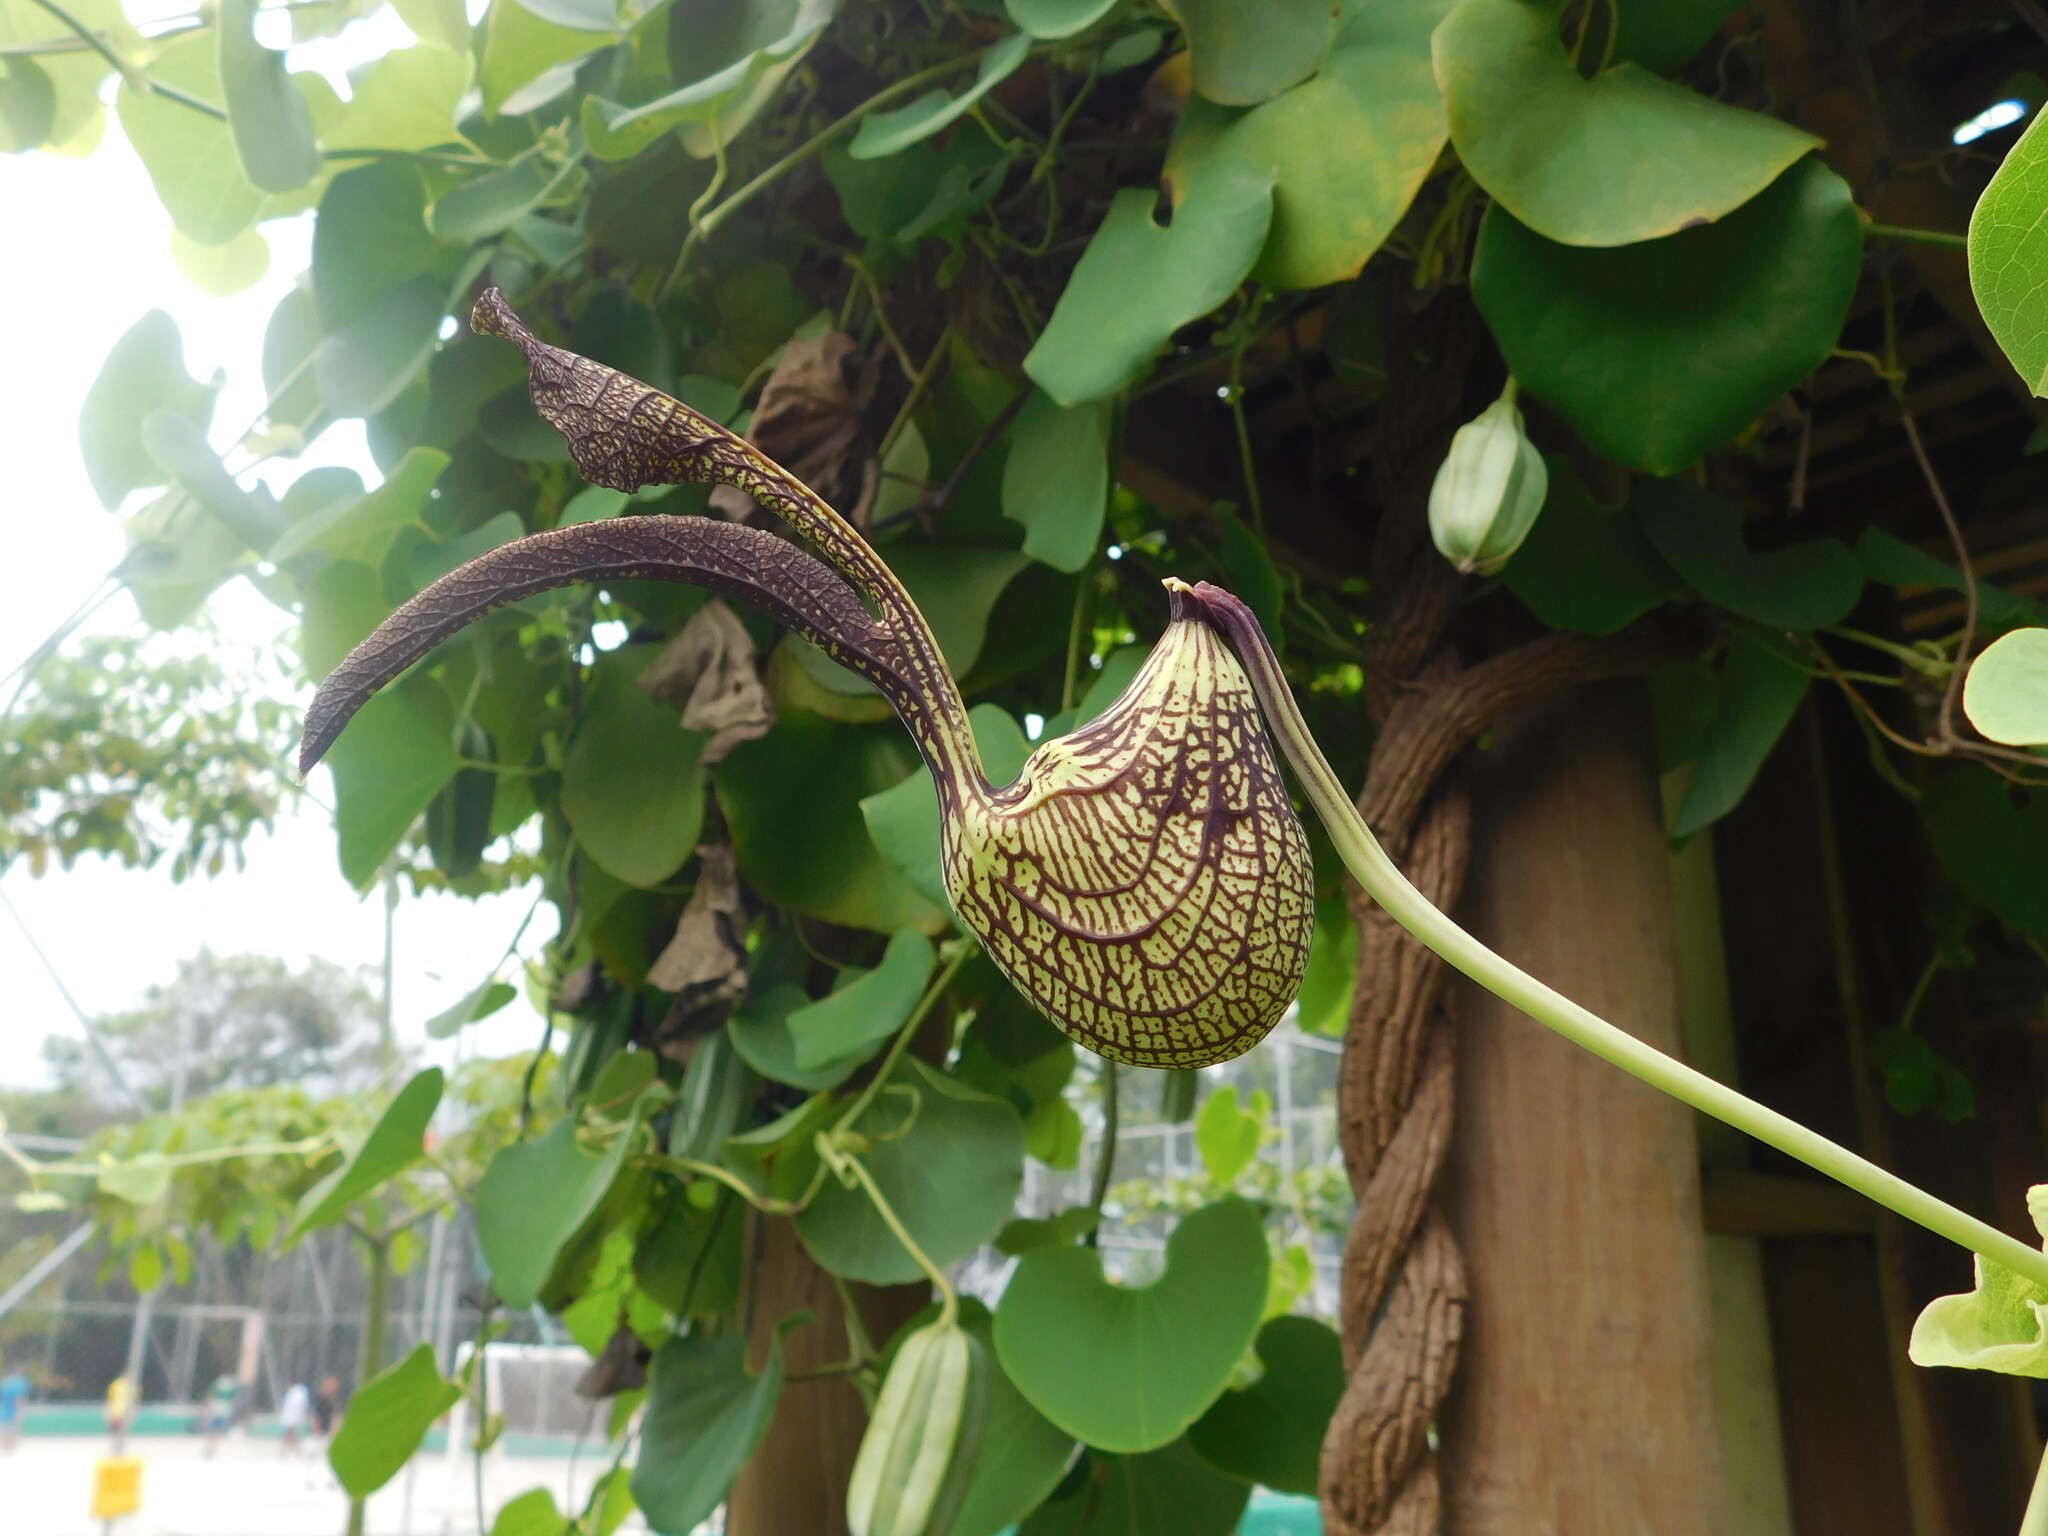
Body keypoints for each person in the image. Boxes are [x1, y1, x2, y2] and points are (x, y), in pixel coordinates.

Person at [203, 1372, 240, 1455]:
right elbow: (233, 1398)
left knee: (215, 1429)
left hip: (218, 1408)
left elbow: (211, 1395)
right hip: (223, 1410)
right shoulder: (232, 1386)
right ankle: (212, 1448)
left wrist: (208, 1407)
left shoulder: (218, 1384)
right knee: (217, 1430)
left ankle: (211, 1447)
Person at [0, 1366, 30, 1452]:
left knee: (5, 1428)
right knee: (13, 1428)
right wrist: (21, 1411)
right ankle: (11, 1446)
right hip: (14, 1410)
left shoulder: (6, 1382)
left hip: (4, 1409)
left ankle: (5, 1446)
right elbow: (20, 1398)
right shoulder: (20, 1383)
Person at [278, 1380, 311, 1455]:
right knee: (291, 1433)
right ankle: (292, 1449)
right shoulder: (297, 1392)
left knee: (291, 1432)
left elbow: (296, 1405)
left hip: (293, 1417)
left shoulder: (297, 1392)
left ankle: (292, 1449)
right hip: (293, 1417)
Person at [105, 1374, 134, 1453]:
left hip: (116, 1410)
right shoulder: (131, 1386)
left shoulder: (115, 1384)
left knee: (116, 1428)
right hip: (124, 1411)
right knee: (121, 1428)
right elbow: (134, 1400)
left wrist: (108, 1410)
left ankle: (116, 1445)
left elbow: (109, 1398)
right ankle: (119, 1444)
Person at [312, 1374, 345, 1438]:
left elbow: (337, 1416)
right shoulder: (320, 1399)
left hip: (330, 1432)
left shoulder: (335, 1399)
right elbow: (314, 1415)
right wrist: (317, 1430)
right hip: (320, 1432)